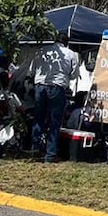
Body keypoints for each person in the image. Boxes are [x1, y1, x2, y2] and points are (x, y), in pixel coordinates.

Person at [30, 33, 79, 163]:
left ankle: (35, 150)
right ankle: (50, 154)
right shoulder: (71, 54)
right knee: (55, 121)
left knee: (38, 119)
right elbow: (74, 75)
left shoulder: (41, 51)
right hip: (57, 88)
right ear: (66, 43)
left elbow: (32, 70)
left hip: (40, 86)